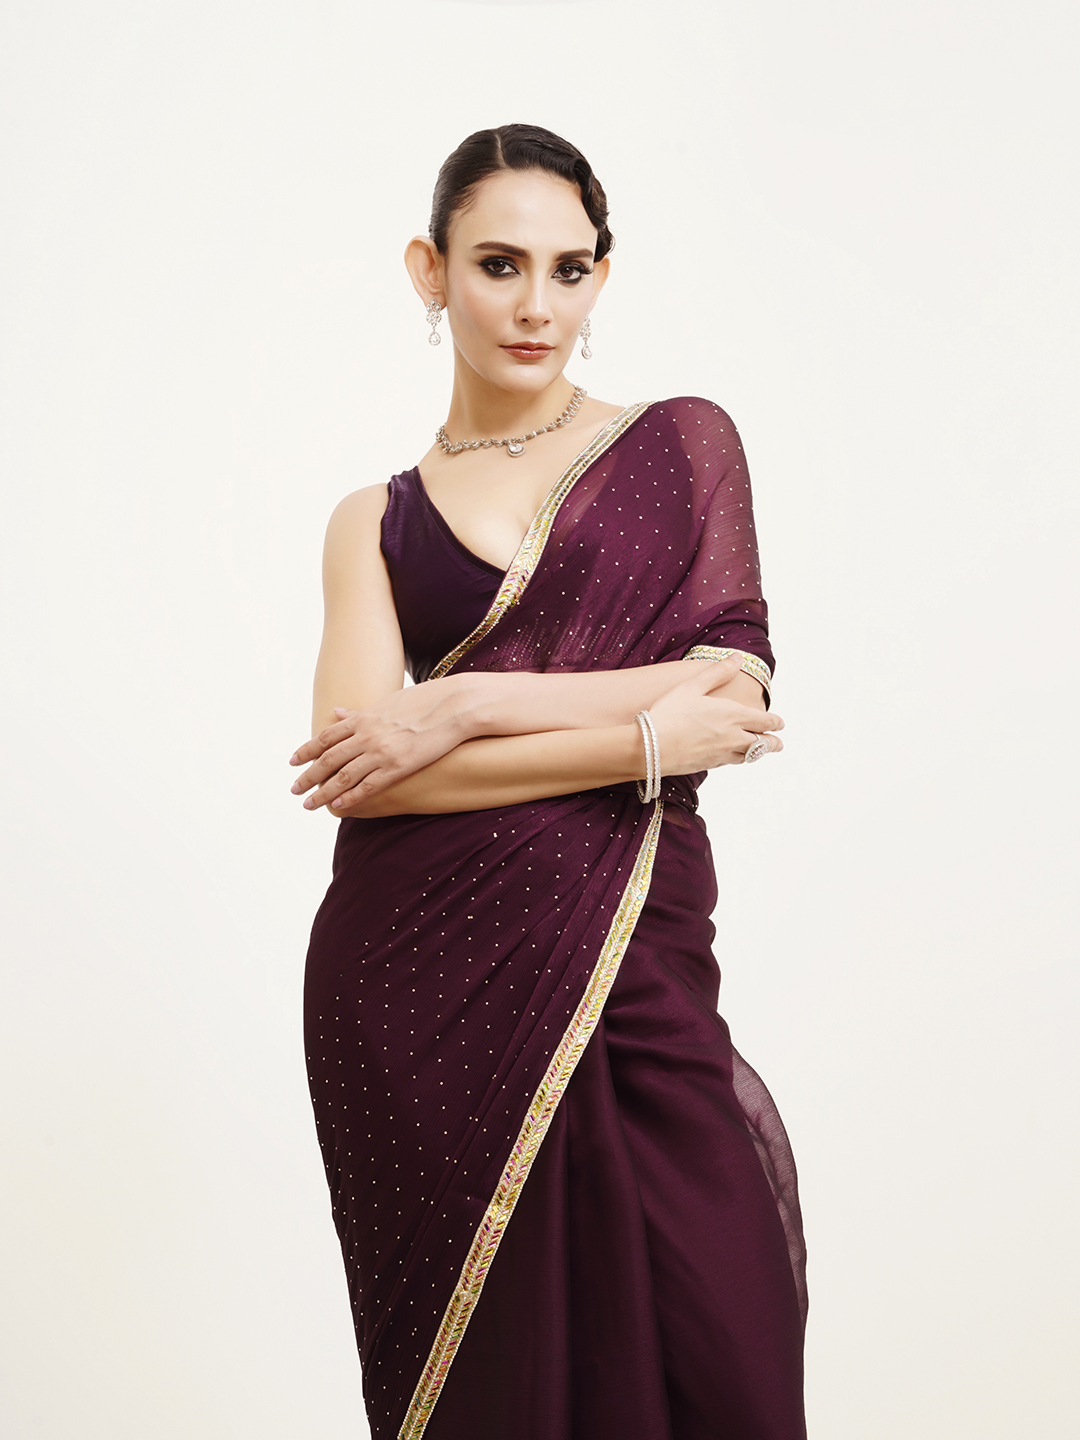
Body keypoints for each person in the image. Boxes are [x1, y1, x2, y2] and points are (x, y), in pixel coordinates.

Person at [290, 124, 807, 1440]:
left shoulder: (681, 445)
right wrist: (641, 738)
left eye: (569, 270)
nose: (536, 305)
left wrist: (464, 702)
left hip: (640, 975)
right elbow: (364, 778)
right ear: (430, 269)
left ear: (601, 276)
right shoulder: (375, 522)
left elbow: (732, 694)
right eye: (498, 264)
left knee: (725, 1347)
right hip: (418, 989)